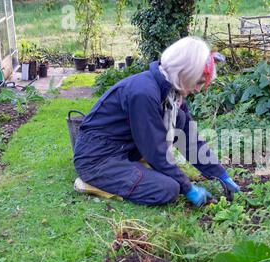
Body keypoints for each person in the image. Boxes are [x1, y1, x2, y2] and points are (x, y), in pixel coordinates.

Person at [73, 36, 239, 207]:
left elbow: (189, 139)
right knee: (168, 189)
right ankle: (92, 183)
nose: (197, 89)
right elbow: (155, 150)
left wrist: (221, 174)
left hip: (123, 150)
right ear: (184, 72)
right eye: (198, 82)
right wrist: (188, 188)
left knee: (180, 120)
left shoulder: (172, 94)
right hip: (98, 159)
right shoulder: (144, 93)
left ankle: (129, 171)